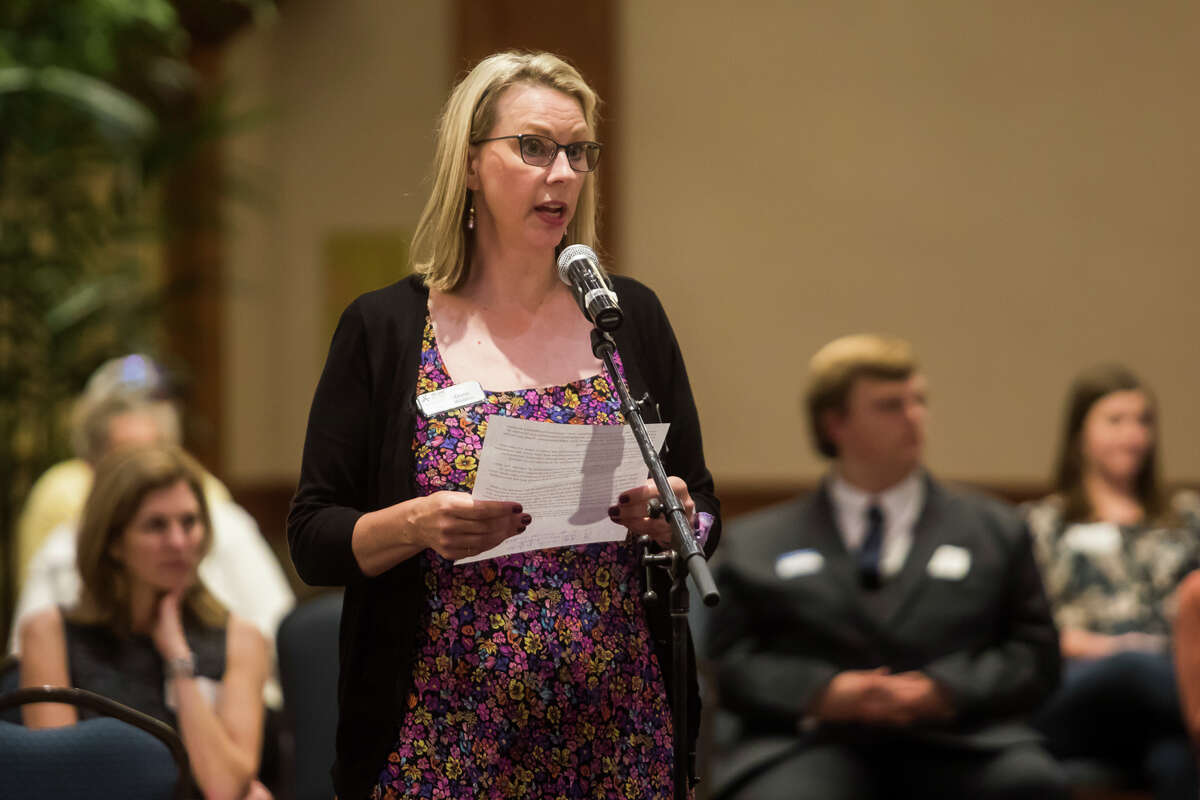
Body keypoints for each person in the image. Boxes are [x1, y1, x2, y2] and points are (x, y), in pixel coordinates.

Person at [287, 50, 720, 799]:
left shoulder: (626, 317)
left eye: (577, 151)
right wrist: (416, 524)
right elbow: (313, 537)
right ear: (470, 164)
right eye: (533, 147)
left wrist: (677, 518)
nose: (562, 173)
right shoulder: (386, 328)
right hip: (439, 740)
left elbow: (707, 513)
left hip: (622, 733)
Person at [707, 334, 1066, 800]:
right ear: (834, 423)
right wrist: (823, 692)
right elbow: (729, 664)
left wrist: (944, 690)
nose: (914, 417)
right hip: (810, 743)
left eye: (919, 400)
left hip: (963, 742)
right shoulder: (758, 542)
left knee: (1029, 786)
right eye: (889, 405)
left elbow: (1035, 655)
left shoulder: (995, 529)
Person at [10, 358, 295, 678]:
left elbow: (282, 638)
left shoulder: (226, 527)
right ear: (91, 468)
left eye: (158, 454)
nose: (178, 541)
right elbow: (25, 674)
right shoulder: (62, 550)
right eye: (128, 460)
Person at [17, 445, 273, 800]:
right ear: (113, 543)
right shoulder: (48, 634)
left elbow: (225, 787)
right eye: (156, 526)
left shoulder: (242, 639)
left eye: (189, 522)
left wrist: (178, 661)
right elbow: (60, 783)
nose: (179, 542)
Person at [1026, 364, 1200, 799]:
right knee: (1131, 666)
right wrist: (1107, 648)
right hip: (1080, 687)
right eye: (1115, 421)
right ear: (1079, 434)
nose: (1133, 435)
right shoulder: (1042, 523)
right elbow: (1026, 629)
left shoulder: (1184, 519)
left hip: (1168, 693)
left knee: (1180, 756)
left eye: (1143, 421)